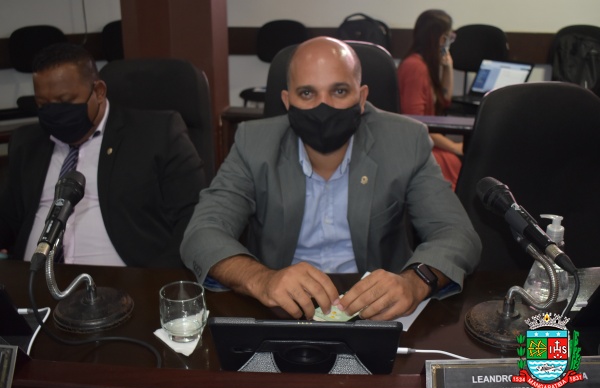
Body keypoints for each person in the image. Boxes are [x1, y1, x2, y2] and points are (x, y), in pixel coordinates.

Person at [181, 36, 481, 321]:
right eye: (307, 93)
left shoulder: (405, 141)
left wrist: (415, 282)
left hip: (376, 312)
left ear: (361, 98)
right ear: (287, 100)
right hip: (281, 310)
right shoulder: (254, 143)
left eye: (339, 92)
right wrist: (261, 279)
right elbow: (203, 232)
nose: (323, 106)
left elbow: (456, 233)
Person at [0, 43, 205, 268]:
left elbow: (194, 216)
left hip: (124, 282)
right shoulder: (27, 144)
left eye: (65, 101)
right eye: (43, 104)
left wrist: (159, 281)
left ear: (98, 92)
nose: (53, 112)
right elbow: (8, 220)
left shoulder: (157, 134)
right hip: (33, 279)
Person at [397, 9, 463, 190]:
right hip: (416, 145)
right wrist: (453, 147)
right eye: (448, 37)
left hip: (425, 140)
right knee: (454, 160)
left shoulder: (423, 65)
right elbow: (417, 122)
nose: (448, 43)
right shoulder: (415, 67)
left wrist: (448, 68)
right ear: (440, 39)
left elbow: (445, 100)